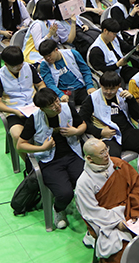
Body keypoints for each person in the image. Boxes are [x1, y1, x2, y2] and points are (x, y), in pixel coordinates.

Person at [74, 137, 139, 263]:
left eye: (106, 150)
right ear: (90, 159)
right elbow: (91, 212)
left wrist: (133, 210)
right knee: (122, 254)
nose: (106, 155)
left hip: (133, 208)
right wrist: (118, 222)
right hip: (110, 222)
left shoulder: (118, 163)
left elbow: (136, 186)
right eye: (101, 153)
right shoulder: (83, 183)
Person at [17, 89, 87, 230]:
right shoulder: (34, 119)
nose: (57, 106)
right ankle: (58, 209)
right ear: (42, 109)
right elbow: (20, 145)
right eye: (51, 105)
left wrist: (77, 131)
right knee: (65, 193)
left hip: (73, 155)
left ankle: (89, 211)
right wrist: (42, 148)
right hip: (49, 161)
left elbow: (83, 124)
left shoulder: (67, 108)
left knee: (86, 183)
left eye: (56, 100)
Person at [80, 70, 139, 158]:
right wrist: (100, 132)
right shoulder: (92, 99)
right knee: (111, 158)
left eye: (112, 89)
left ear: (118, 86)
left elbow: (137, 115)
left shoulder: (122, 93)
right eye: (105, 88)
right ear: (101, 85)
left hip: (126, 132)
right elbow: (82, 120)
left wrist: (131, 100)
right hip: (108, 137)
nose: (108, 92)